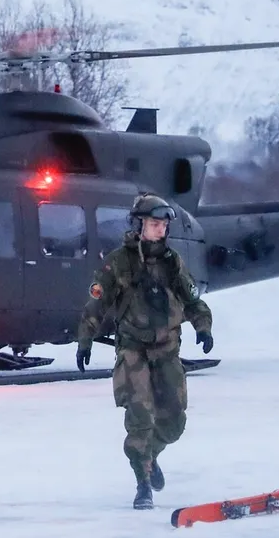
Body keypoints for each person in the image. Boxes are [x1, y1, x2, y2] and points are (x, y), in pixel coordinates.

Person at [76, 193, 214, 510]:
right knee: (139, 417)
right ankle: (142, 483)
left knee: (174, 422)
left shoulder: (172, 262)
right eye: (154, 224)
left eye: (164, 225)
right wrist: (85, 338)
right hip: (133, 349)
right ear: (139, 225)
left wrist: (202, 325)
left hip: (167, 348)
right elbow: (97, 301)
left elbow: (191, 298)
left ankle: (149, 456)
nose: (160, 230)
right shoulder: (119, 262)